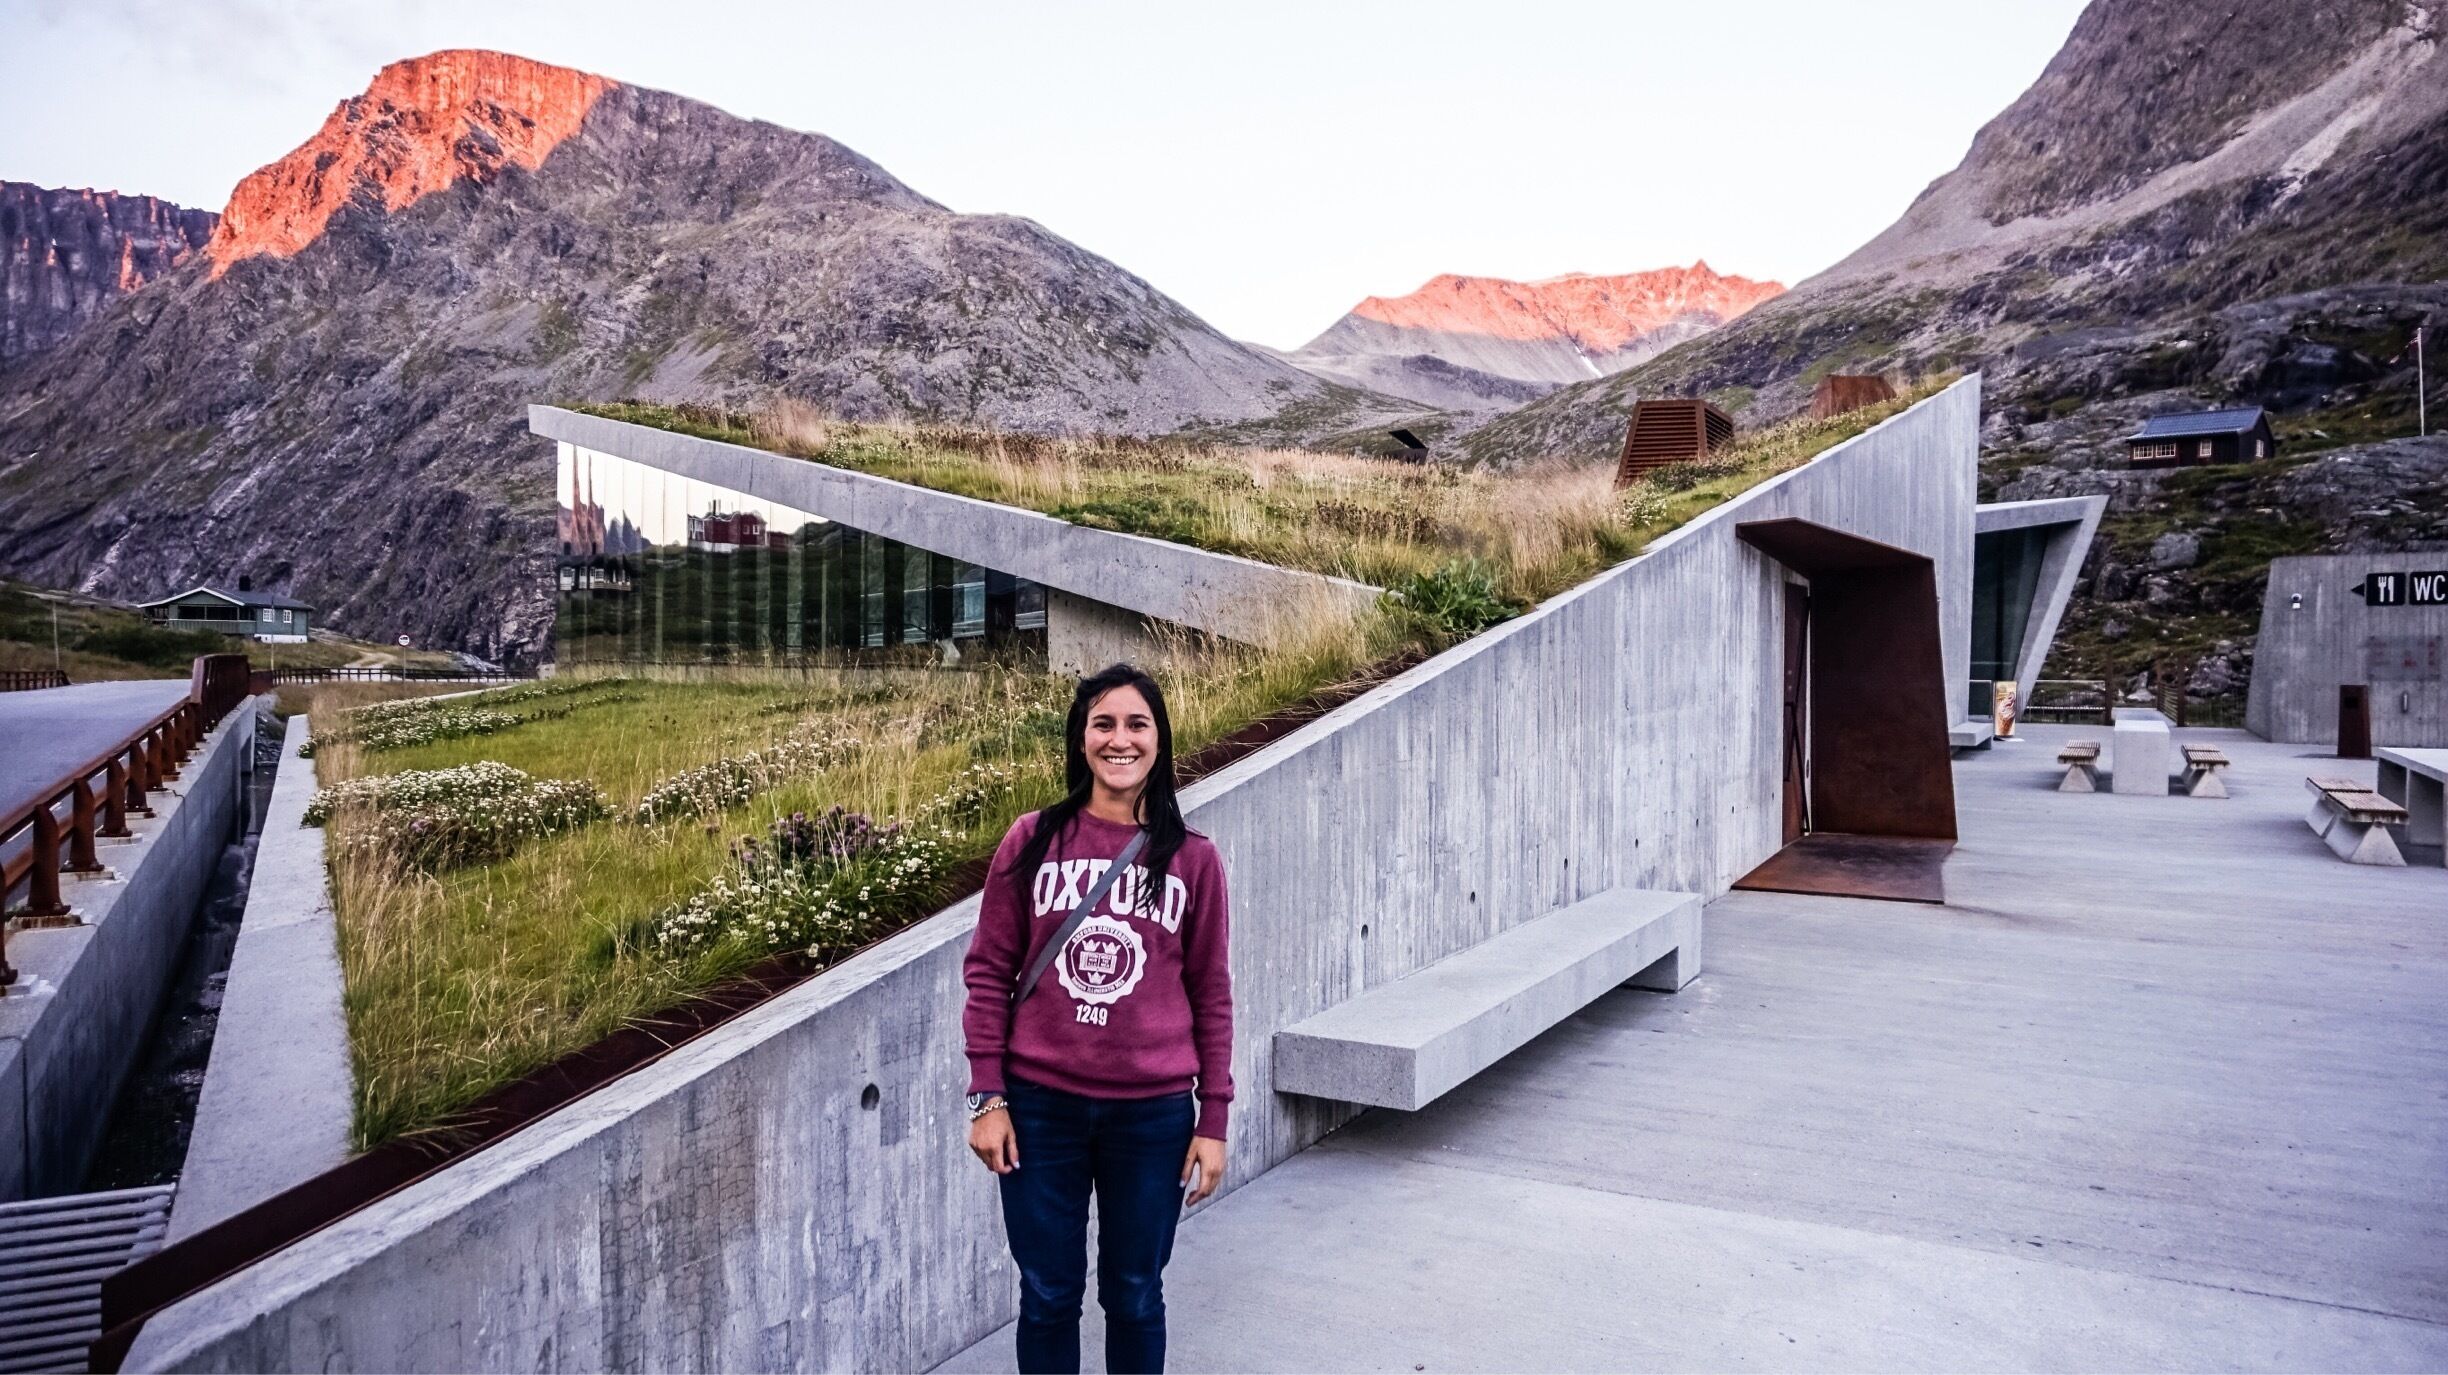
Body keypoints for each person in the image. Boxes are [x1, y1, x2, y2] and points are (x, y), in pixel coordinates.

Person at [960, 662, 1235, 1375]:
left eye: (1137, 723)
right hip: (1040, 1108)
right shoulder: (1031, 840)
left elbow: (1212, 992)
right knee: (1048, 1293)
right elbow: (989, 971)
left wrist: (1214, 1120)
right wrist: (988, 1096)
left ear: (1160, 740)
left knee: (1136, 1294)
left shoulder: (1194, 860)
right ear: (1081, 741)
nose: (1121, 739)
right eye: (1103, 723)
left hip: (1152, 1116)